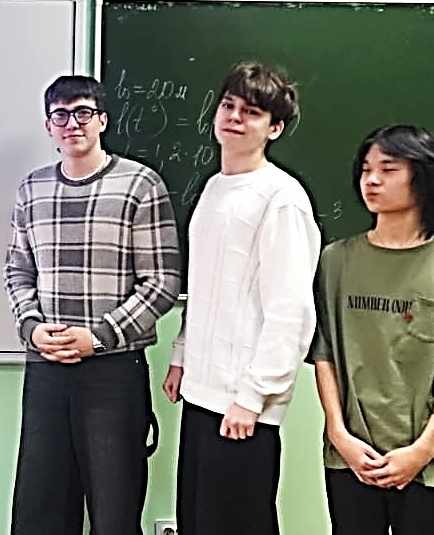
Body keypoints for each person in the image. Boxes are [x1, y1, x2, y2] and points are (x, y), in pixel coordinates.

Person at [4, 75, 182, 535]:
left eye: (83, 112)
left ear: (102, 120)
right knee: (39, 509)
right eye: (61, 115)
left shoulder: (140, 184)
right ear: (49, 126)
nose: (73, 124)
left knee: (114, 509)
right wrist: (32, 328)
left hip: (113, 372)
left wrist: (98, 338)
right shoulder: (32, 189)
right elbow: (18, 271)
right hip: (46, 368)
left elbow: (163, 282)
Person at [309, 125, 434, 534]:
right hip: (352, 457)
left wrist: (422, 450)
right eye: (366, 169)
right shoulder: (336, 261)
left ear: (426, 177)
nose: (371, 180)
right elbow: (324, 352)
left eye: (388, 169)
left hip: (433, 465)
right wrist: (339, 434)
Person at [161, 61, 321, 535]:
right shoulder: (214, 187)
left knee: (238, 523)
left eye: (251, 112)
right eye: (228, 105)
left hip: (242, 404)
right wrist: (181, 355)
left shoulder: (281, 198)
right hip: (201, 393)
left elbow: (290, 312)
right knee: (197, 520)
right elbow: (205, 286)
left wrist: (253, 397)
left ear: (274, 128)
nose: (234, 117)